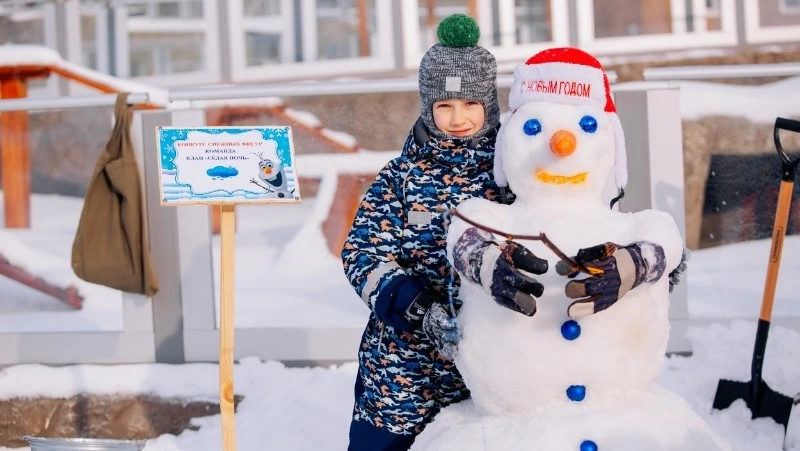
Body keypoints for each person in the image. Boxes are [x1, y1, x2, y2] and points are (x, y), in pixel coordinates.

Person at [340, 14, 547, 451]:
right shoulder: (399, 178)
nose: (458, 118)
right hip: (401, 372)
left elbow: (558, 234)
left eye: (470, 104)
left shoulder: (512, 179)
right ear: (428, 107)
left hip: (488, 369)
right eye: (445, 106)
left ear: (488, 105)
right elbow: (363, 254)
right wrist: (417, 308)